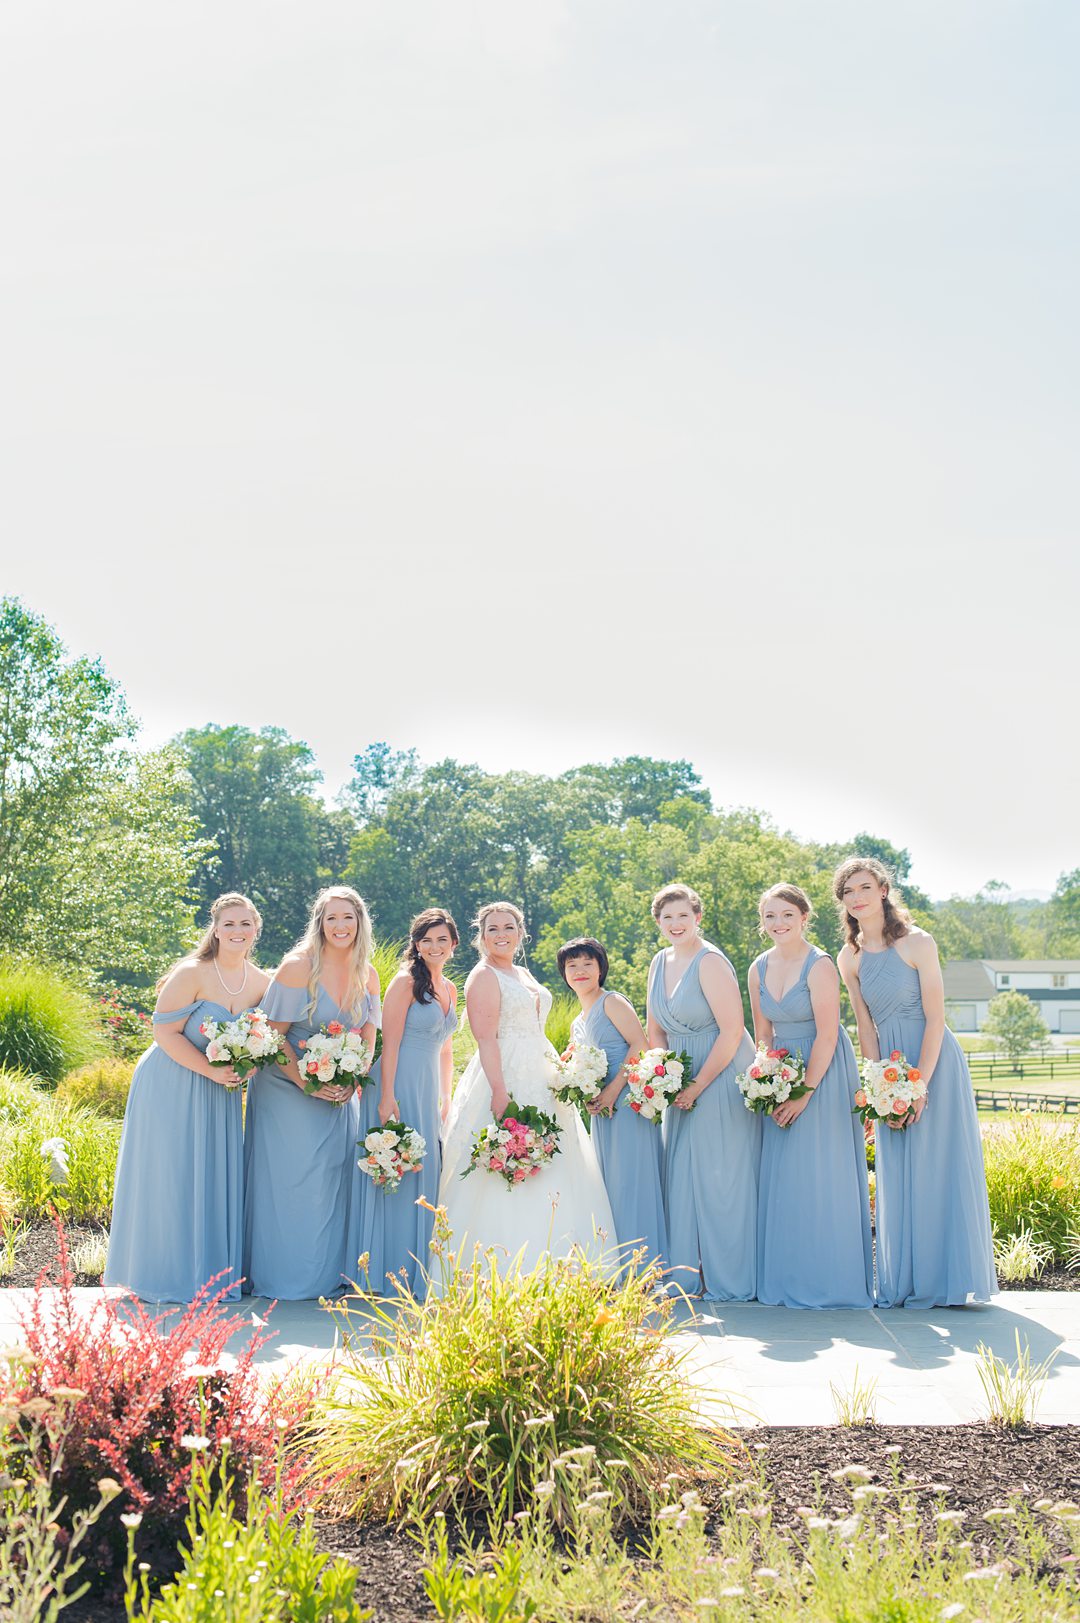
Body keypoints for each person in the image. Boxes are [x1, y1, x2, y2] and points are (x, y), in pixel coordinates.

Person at [835, 857, 996, 1308]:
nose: (857, 897)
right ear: (842, 902)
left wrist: (919, 1084)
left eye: (864, 887)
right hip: (887, 1068)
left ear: (883, 890)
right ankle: (902, 1281)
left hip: (933, 1061)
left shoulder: (917, 943)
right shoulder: (850, 957)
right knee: (897, 1170)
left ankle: (943, 1281)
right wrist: (876, 1085)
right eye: (848, 891)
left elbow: (935, 1017)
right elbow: (865, 1027)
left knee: (936, 1165)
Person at [105, 893, 270, 1302]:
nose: (237, 931)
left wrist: (245, 1068)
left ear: (256, 929)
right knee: (171, 1175)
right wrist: (211, 1070)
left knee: (212, 1174)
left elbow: (264, 1039)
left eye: (244, 924)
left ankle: (208, 1276)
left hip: (221, 1093)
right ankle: (161, 1274)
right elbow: (163, 1034)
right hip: (171, 1082)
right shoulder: (192, 972)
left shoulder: (263, 982)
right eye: (228, 924)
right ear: (215, 929)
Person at [437, 902, 616, 1273]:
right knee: (508, 1161)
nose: (500, 934)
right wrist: (500, 1093)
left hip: (543, 1076)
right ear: (481, 936)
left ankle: (561, 1261)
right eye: (492, 929)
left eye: (508, 927)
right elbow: (485, 1038)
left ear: (521, 932)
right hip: (504, 1075)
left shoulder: (522, 972)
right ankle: (504, 1265)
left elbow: (534, 1026)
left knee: (558, 1162)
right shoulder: (483, 976)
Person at [243, 886, 380, 1300]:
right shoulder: (298, 967)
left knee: (331, 1181)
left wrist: (357, 1071)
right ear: (319, 923)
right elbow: (268, 1033)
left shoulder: (367, 972)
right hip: (286, 1088)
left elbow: (369, 1033)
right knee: (293, 1182)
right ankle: (286, 1279)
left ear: (360, 922)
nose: (340, 926)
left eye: (348, 917)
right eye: (331, 918)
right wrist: (306, 1081)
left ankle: (327, 1277)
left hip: (338, 1093)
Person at [748, 884, 873, 1309]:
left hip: (822, 1070)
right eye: (769, 916)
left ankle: (830, 1279)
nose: (778, 923)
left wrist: (802, 1093)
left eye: (786, 915)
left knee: (821, 1172)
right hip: (781, 1070)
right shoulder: (758, 968)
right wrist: (765, 1076)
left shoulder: (819, 965)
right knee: (784, 1175)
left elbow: (827, 1033)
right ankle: (787, 1276)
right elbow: (763, 1034)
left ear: (804, 917)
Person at [647, 883, 760, 1300]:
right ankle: (687, 1274)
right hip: (680, 1077)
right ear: (658, 922)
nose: (675, 924)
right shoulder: (659, 962)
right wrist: (662, 1073)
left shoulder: (710, 961)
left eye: (683, 916)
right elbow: (655, 1027)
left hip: (719, 1071)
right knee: (682, 1173)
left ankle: (728, 1275)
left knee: (720, 1175)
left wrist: (697, 1085)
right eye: (667, 917)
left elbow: (732, 1031)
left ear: (698, 917)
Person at [350, 908, 458, 1296]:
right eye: (426, 939)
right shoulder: (404, 983)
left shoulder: (448, 988)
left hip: (429, 1088)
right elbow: (389, 1042)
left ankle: (417, 1267)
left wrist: (447, 1095)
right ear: (416, 944)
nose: (434, 946)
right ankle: (386, 1269)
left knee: (424, 1170)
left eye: (442, 939)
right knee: (397, 1170)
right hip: (396, 1083)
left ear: (453, 944)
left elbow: (446, 1050)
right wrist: (387, 1097)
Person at [559, 936, 667, 1276]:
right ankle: (618, 1264)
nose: (580, 971)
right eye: (572, 965)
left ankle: (645, 1268)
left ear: (600, 968)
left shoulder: (612, 1002)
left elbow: (640, 1045)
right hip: (601, 1110)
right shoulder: (579, 1019)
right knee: (610, 1185)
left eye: (587, 964)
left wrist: (613, 1091)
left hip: (626, 1104)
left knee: (632, 1182)